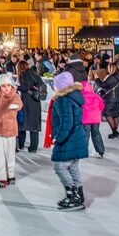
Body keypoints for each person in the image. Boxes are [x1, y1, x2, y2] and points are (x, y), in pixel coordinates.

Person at [49, 71, 88, 211]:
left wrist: (58, 137)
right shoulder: (75, 96)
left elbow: (67, 122)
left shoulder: (63, 100)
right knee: (72, 166)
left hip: (69, 138)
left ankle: (72, 196)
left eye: (55, 85)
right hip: (78, 136)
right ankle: (79, 195)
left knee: (59, 166)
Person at [16, 60, 45, 153]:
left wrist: (17, 88)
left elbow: (25, 87)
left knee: (22, 125)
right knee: (34, 126)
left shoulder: (24, 75)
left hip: (26, 102)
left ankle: (20, 144)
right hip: (35, 102)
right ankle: (33, 147)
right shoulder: (34, 73)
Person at [97, 63, 119, 139]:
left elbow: (102, 85)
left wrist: (97, 78)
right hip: (118, 97)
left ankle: (114, 132)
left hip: (111, 98)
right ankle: (115, 131)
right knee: (115, 114)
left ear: (111, 68)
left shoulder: (112, 77)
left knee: (108, 114)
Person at [81, 77, 105, 157]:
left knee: (85, 134)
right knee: (96, 133)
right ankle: (100, 150)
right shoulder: (97, 96)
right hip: (96, 119)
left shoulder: (81, 97)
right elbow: (102, 107)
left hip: (86, 119)